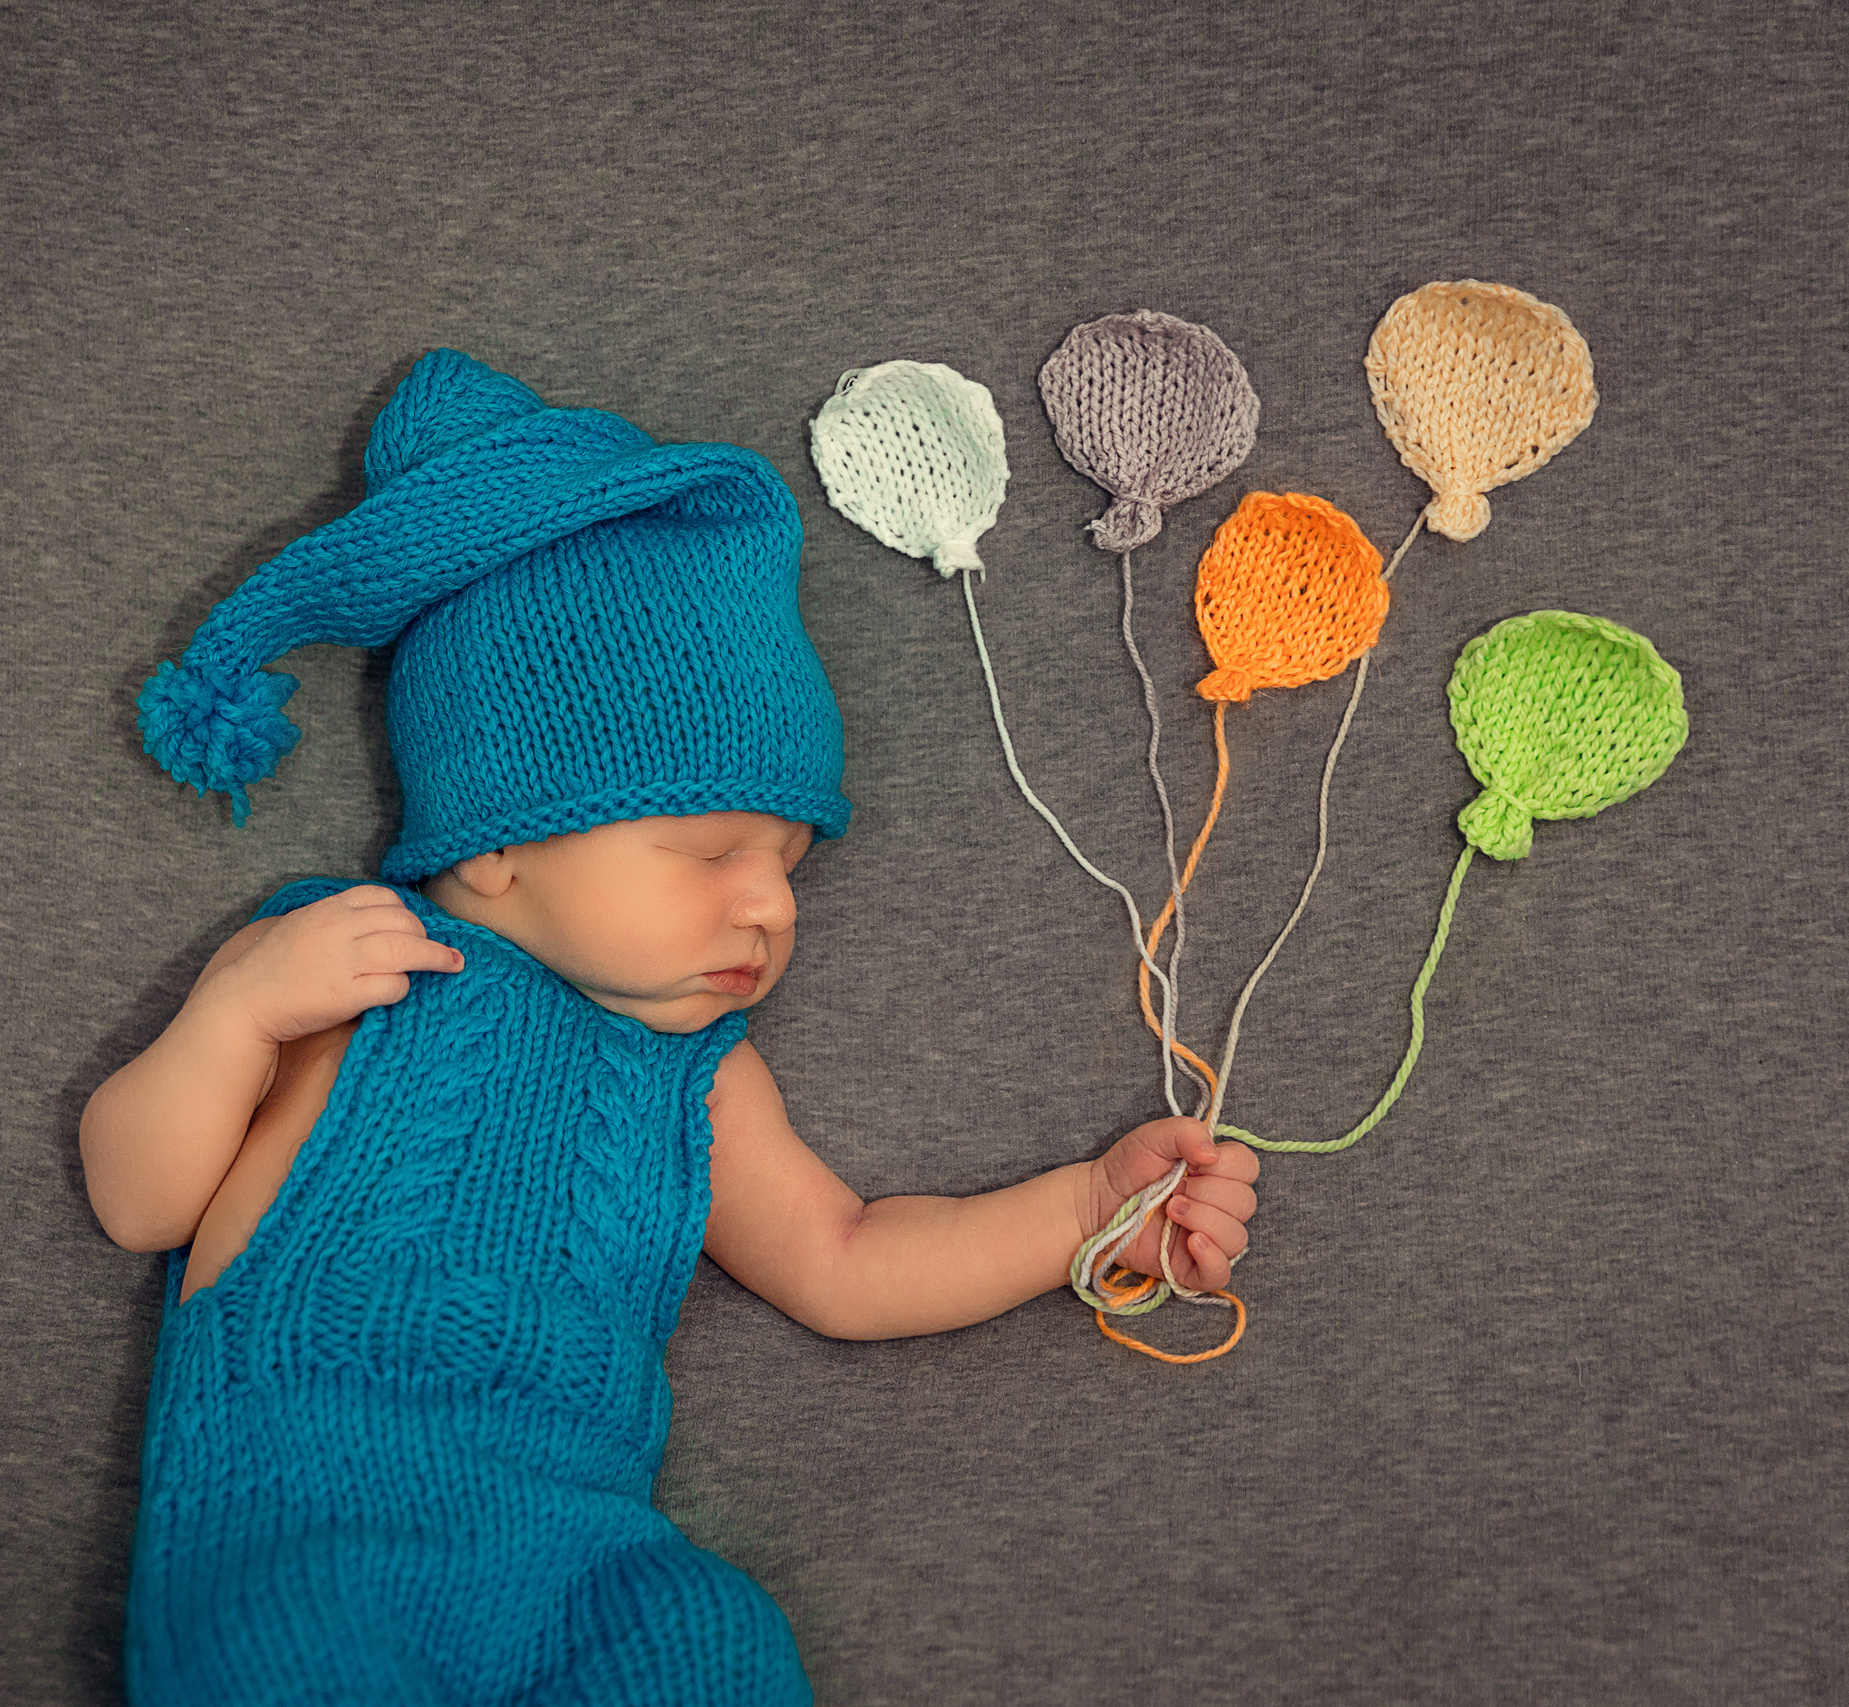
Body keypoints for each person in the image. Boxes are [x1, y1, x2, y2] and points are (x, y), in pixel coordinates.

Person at [81, 349, 1259, 1707]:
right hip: (309, 1515)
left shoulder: (694, 1073)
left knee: (714, 1648)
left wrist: (1079, 1213)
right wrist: (232, 1017)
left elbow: (847, 1259)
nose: (767, 907)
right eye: (710, 852)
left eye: (789, 864)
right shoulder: (341, 967)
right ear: (497, 848)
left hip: (578, 1541)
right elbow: (136, 1199)